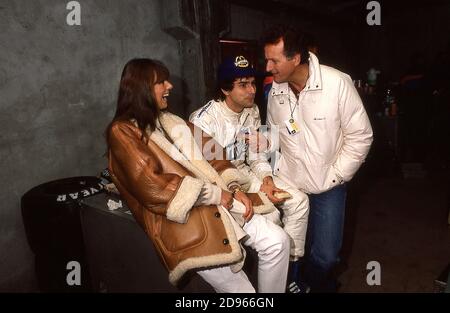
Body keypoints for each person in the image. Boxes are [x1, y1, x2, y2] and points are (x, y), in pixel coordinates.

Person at [105, 58, 290, 293]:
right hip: (180, 221)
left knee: (278, 242)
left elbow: (214, 154)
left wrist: (233, 188)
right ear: (142, 88)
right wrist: (217, 194)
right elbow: (154, 187)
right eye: (161, 82)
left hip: (216, 202)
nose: (169, 86)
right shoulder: (121, 131)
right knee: (243, 293)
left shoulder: (171, 120)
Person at [261, 25, 373, 292]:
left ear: (295, 58)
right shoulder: (275, 91)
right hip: (291, 187)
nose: (267, 67)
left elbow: (361, 136)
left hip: (328, 187)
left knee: (325, 255)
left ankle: (311, 284)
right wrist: (266, 171)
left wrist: (336, 174)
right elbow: (272, 137)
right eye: (266, 59)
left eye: (274, 60)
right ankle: (302, 285)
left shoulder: (337, 84)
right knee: (291, 249)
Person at [190, 55, 309, 293]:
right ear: (225, 89)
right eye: (243, 85)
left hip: (246, 174)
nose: (252, 90)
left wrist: (266, 179)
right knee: (273, 218)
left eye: (253, 83)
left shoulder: (252, 109)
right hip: (221, 185)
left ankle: (289, 274)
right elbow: (206, 173)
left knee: (300, 202)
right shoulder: (202, 121)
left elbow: (254, 154)